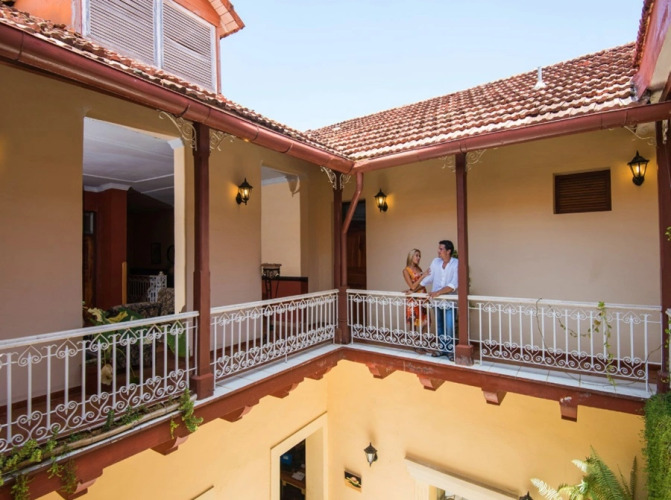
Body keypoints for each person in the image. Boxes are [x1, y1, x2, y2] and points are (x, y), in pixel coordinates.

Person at [420, 240, 458, 359]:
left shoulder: (456, 263)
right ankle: (442, 349)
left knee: (449, 327)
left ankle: (450, 351)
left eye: (441, 249)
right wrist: (413, 288)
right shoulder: (435, 262)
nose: (438, 251)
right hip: (436, 302)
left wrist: (438, 292)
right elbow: (428, 278)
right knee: (440, 326)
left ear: (448, 251)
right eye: (439, 249)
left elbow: (453, 284)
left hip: (450, 302)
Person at [402, 249, 429, 330]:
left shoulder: (419, 268)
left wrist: (411, 290)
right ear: (411, 256)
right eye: (416, 255)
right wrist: (423, 276)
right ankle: (414, 338)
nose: (419, 258)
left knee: (426, 322)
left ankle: (421, 338)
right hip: (413, 299)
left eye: (419, 256)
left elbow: (421, 284)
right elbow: (413, 286)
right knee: (413, 323)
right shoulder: (406, 270)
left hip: (422, 297)